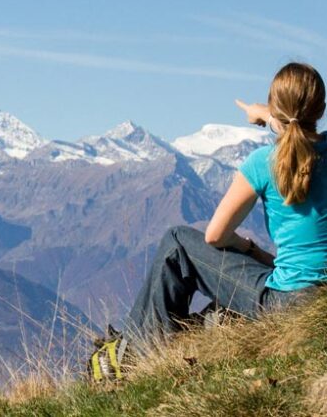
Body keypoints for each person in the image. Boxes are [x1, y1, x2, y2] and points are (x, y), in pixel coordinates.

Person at [90, 62, 327, 381]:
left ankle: (131, 356)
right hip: (321, 298)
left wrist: (249, 248)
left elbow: (215, 235)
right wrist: (272, 116)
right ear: (322, 108)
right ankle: (149, 345)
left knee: (177, 243)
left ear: (275, 108)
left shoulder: (263, 163)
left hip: (284, 303)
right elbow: (299, 128)